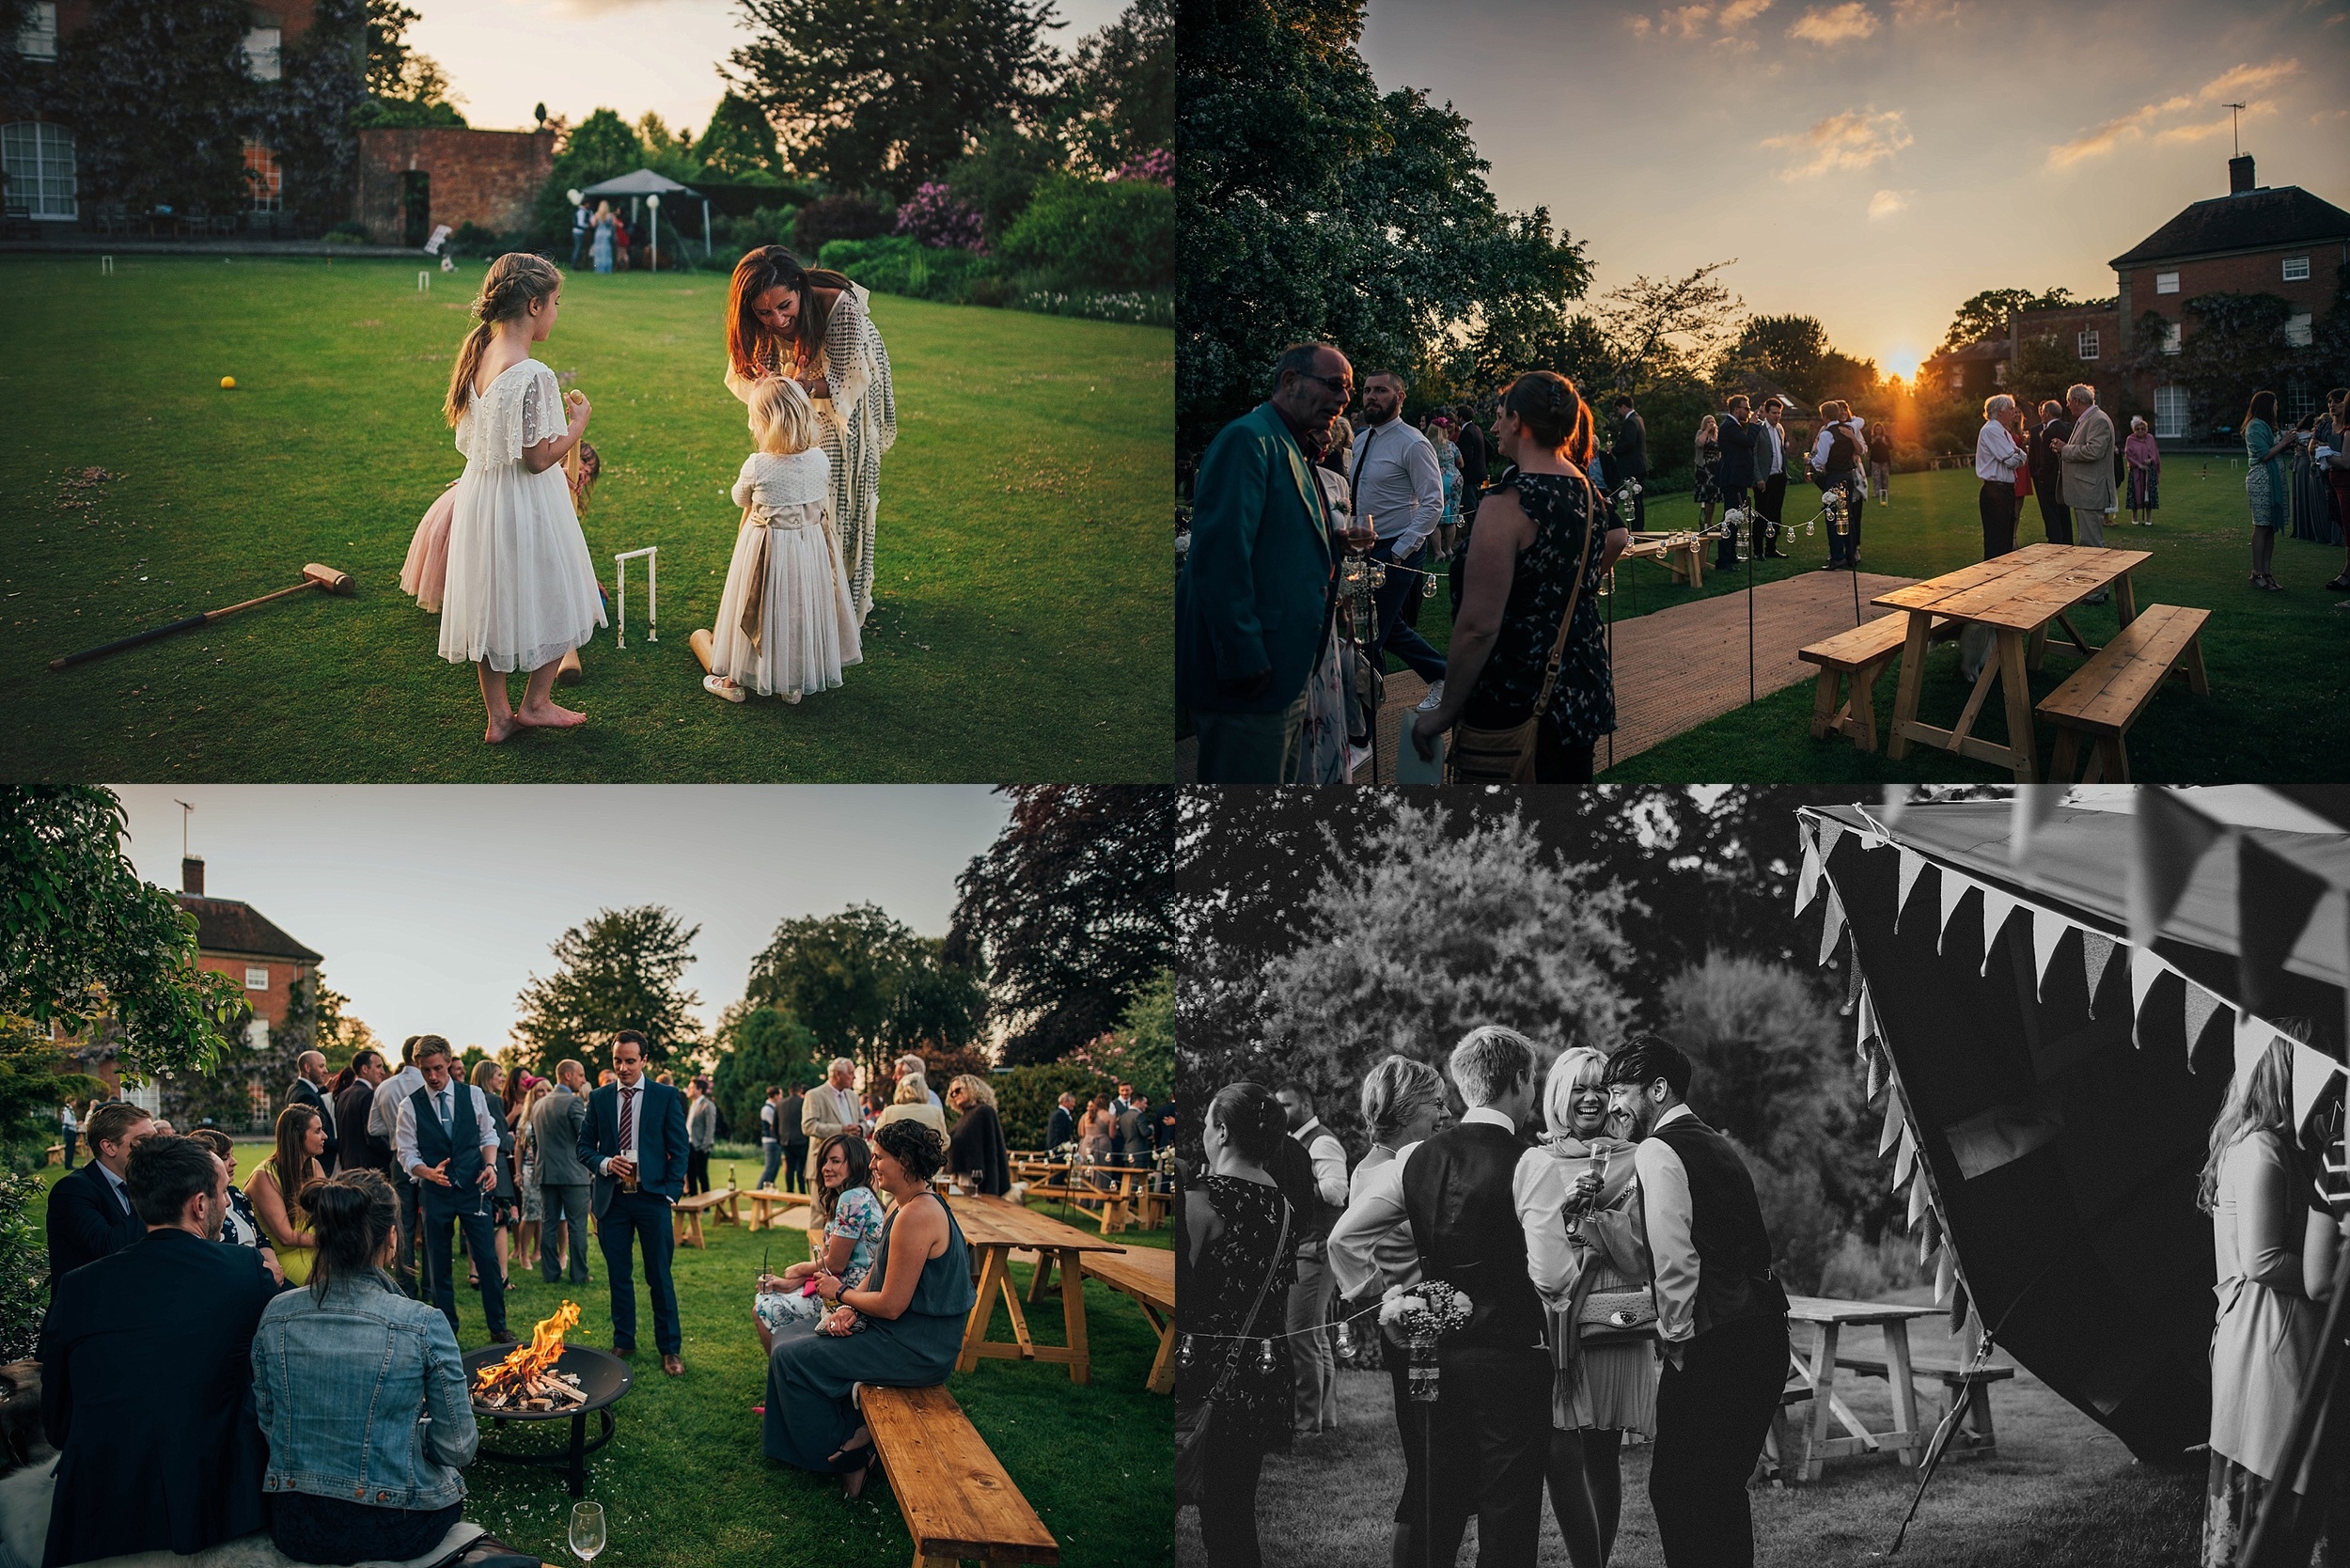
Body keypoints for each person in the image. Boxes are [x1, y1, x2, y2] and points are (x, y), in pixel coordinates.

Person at [39, 1134, 278, 1566]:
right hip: (216, 1499)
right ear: (200, 1205)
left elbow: (57, 1416)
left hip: (102, 1502)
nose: (228, 1204)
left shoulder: (78, 1287)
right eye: (224, 1193)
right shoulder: (246, 1272)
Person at [1605, 1037, 1790, 1568]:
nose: (1614, 1105)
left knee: (1677, 1491)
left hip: (1718, 1341)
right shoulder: (1711, 1142)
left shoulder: (1658, 1148)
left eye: (1621, 1092)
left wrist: (1677, 1336)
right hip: (1763, 1331)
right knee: (1721, 1490)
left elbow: (1674, 1255)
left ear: (1657, 1089)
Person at [251, 1169, 480, 1565]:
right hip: (397, 1526)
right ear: (391, 1236)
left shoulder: (276, 1314)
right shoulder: (422, 1322)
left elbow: (271, 1425)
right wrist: (410, 1435)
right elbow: (458, 1448)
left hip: (296, 1523)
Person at [1414, 370, 1628, 783]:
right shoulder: (1589, 493)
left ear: (1516, 422)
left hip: (1514, 691)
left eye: (1498, 416)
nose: (1494, 427)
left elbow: (1478, 627)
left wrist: (1444, 710)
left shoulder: (1506, 505)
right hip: (1579, 682)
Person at [435, 252, 604, 743]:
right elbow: (536, 457)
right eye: (555, 302)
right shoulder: (533, 373)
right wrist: (577, 427)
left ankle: (499, 716)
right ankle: (536, 702)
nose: (557, 312)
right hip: (525, 501)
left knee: (496, 598)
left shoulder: (480, 353)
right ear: (534, 305)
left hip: (483, 498)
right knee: (559, 587)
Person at [764, 1120, 976, 1497]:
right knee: (786, 1336)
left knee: (792, 1357)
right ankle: (850, 1434)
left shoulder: (917, 1215)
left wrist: (841, 1294)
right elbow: (878, 1273)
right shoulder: (906, 1203)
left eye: (879, 1157)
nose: (873, 1164)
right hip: (902, 1332)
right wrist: (852, 1311)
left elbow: (892, 1305)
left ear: (905, 1161)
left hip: (918, 1347)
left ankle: (842, 1451)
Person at [1408, 1027, 1553, 1566]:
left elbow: (1351, 1235)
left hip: (1431, 1350)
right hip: (1507, 1350)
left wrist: (1391, 1295)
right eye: (1532, 1082)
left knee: (1436, 1497)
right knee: (1507, 1505)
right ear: (1517, 1080)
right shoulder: (1529, 1162)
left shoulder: (1416, 1159)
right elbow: (1553, 1275)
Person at [1176, 342, 1350, 782]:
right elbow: (1219, 562)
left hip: (1283, 675)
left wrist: (1334, 541)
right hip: (1250, 682)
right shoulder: (1248, 439)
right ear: (1291, 382)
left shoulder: (1290, 444)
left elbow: (1277, 539)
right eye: (1334, 385)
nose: (1344, 399)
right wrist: (1246, 661)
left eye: (1346, 389)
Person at [2199, 1030, 2342, 1565]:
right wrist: (2322, 1272)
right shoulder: (2261, 1151)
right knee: (2279, 1472)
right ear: (2287, 1074)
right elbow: (2260, 1260)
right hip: (2268, 1346)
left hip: (2268, 1340)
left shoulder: (2275, 1147)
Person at [1517, 1045, 1653, 1568]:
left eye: (1601, 1087)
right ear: (1557, 1094)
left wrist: (1596, 1214)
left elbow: (1643, 1256)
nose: (1591, 1097)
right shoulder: (1536, 1161)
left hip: (1610, 1317)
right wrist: (1560, 1208)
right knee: (1558, 1453)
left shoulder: (1637, 1157)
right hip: (1551, 1318)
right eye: (1579, 1086)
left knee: (1601, 1454)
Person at [723, 246, 897, 624]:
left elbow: (846, 384)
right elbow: (758, 375)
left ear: (799, 287)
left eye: (785, 305)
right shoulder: (759, 322)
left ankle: (838, 596)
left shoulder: (839, 306)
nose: (778, 319)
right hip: (799, 385)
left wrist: (801, 386)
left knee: (836, 476)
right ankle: (785, 586)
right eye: (764, 312)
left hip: (851, 388)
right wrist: (775, 385)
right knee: (790, 463)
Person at [1327, 1055, 1451, 1568]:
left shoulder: (1405, 1161)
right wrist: (1388, 1300)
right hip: (1418, 1336)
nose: (1445, 1114)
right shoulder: (1380, 1171)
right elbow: (1349, 1246)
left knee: (1438, 1464)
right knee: (1426, 1467)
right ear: (1404, 1110)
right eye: (1436, 1104)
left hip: (1435, 1327)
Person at [1179, 1084, 1298, 1568]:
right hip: (1261, 1375)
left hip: (1203, 1370)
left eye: (1209, 1124)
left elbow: (1180, 1297)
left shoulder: (1202, 1201)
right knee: (1232, 1516)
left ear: (1223, 1131)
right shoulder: (1285, 1207)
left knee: (1218, 1521)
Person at [704, 374, 860, 704]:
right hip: (809, 548)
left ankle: (733, 679)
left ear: (763, 423)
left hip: (767, 549)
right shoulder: (820, 458)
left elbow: (739, 498)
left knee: (754, 602)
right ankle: (793, 683)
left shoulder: (758, 465)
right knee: (796, 607)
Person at [395, 1036, 512, 1344]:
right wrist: (427, 1173)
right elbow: (406, 1153)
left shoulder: (473, 1095)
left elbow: (489, 1135)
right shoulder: (409, 1105)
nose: (432, 1076)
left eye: (437, 1069)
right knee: (438, 1262)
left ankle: (498, 1326)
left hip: (474, 1188)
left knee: (487, 1258)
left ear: (449, 1063)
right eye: (425, 1070)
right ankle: (447, 1329)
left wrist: (491, 1167)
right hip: (435, 1193)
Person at [585, 1029, 689, 1375]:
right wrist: (605, 1162)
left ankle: (670, 1349)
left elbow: (680, 1148)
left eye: (630, 1061)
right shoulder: (599, 1098)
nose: (624, 1067)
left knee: (659, 1275)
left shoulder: (665, 1095)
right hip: (613, 1199)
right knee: (619, 1275)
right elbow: (583, 1147)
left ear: (644, 1060)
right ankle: (624, 1338)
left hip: (652, 1198)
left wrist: (670, 1192)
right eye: (618, 1060)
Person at [1351, 369, 1449, 696]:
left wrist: (1400, 550)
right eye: (1366, 391)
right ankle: (1443, 678)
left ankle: (1363, 706)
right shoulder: (1362, 438)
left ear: (1399, 397)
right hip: (1362, 547)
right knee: (1385, 627)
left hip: (1396, 546)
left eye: (1380, 390)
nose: (1371, 397)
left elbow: (1434, 502)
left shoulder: (1413, 442)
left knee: (1369, 631)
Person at [753, 1132, 886, 1353]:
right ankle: (793, 1364)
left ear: (854, 1164)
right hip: (840, 1287)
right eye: (824, 1161)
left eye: (835, 1161)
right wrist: (794, 1283)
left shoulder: (852, 1198)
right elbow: (826, 1259)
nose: (826, 1167)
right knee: (772, 1294)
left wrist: (799, 1269)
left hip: (852, 1295)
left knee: (762, 1309)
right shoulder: (853, 1195)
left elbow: (834, 1264)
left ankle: (785, 1372)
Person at [1271, 1086, 1347, 1438]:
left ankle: (1306, 1422)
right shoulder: (1296, 1141)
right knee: (1313, 1335)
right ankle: (1324, 1416)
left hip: (1315, 1247)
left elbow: (1336, 1191)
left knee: (1300, 1335)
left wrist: (1295, 1190)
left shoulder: (1320, 1142)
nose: (1280, 1110)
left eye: (1286, 1104)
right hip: (1309, 1246)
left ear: (1304, 1104)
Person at [45, 1101, 151, 1299]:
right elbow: (109, 1250)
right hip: (88, 1316)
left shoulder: (133, 1185)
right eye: (143, 1141)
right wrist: (153, 1192)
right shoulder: (72, 1191)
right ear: (109, 1147)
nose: (154, 1149)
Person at [248, 1102, 329, 1287]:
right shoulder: (264, 1176)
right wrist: (331, 1240)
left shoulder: (314, 1167)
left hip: (317, 1249)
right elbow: (286, 1236)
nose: (324, 1136)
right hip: (284, 1257)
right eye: (317, 1131)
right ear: (297, 1136)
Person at [530, 1057, 594, 1286]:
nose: (583, 1080)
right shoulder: (573, 1103)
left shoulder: (538, 1104)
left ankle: (550, 1273)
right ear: (567, 1075)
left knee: (548, 1223)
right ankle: (579, 1275)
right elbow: (584, 1136)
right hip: (573, 1174)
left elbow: (534, 1143)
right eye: (580, 1075)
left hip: (546, 1173)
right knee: (577, 1226)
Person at [369, 1039, 428, 1291]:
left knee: (402, 1221)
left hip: (398, 1158)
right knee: (431, 1220)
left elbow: (373, 1128)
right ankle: (430, 1284)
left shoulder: (385, 1087)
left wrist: (396, 1130)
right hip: (429, 1158)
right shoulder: (429, 1083)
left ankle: (406, 1283)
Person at [2050, 383, 2116, 598]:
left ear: (2077, 401)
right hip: (2084, 490)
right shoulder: (2089, 418)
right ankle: (2096, 590)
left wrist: (2065, 449)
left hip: (2090, 491)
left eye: (2069, 402)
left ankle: (2096, 593)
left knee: (2091, 544)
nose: (2068, 406)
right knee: (2088, 542)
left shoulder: (2097, 419)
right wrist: (2064, 446)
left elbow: (2094, 451)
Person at [464, 1059, 517, 1291]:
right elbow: (499, 1138)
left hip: (471, 1167)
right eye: (498, 1075)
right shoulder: (493, 1100)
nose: (502, 1079)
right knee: (500, 1222)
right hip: (495, 1168)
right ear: (488, 1077)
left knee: (475, 1221)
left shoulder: (466, 1097)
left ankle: (474, 1273)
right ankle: (502, 1276)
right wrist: (512, 1138)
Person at [2239, 390, 2296, 592]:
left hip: (2274, 480)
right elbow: (2263, 455)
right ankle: (2257, 572)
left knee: (2270, 527)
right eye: (2275, 404)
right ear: (2266, 406)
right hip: (2261, 481)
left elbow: (2278, 447)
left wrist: (2290, 441)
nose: (2277, 408)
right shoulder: (2255, 426)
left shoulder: (2270, 427)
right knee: (2261, 525)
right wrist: (2284, 442)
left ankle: (2267, 571)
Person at [1811, 400, 1868, 570]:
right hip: (1848, 477)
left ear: (1824, 416)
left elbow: (1821, 460)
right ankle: (1851, 555)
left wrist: (1810, 462)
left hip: (1834, 477)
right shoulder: (1849, 428)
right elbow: (1861, 421)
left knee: (1833, 518)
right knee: (1847, 517)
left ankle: (1837, 557)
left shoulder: (1827, 434)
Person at [1975, 395, 2028, 560]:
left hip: (2005, 489)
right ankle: (1992, 580)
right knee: (1996, 542)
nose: (2014, 413)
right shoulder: (1991, 430)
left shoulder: (2002, 431)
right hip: (1995, 490)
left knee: (2005, 540)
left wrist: (2017, 454)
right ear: (1999, 411)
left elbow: (2022, 457)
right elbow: (2011, 459)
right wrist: (2017, 454)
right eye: (2011, 409)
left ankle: (2002, 580)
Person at [1711, 396, 1761, 570]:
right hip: (1732, 479)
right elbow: (1749, 442)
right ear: (1736, 409)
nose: (1748, 411)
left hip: (1737, 478)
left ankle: (1730, 556)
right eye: (1746, 408)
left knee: (1736, 518)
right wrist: (1754, 425)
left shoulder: (1734, 426)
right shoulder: (1729, 426)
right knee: (1731, 518)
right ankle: (1723, 560)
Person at [944, 1074, 1010, 1196]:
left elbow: (991, 1151)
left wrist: (992, 1190)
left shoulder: (983, 1112)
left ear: (971, 1088)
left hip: (974, 1183)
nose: (954, 1095)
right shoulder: (966, 1115)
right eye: (952, 1092)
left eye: (958, 1090)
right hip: (960, 1179)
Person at [802, 1058, 864, 1184]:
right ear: (838, 1074)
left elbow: (863, 1121)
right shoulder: (814, 1095)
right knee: (821, 1205)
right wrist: (841, 1130)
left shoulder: (853, 1096)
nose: (854, 1077)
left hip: (851, 1166)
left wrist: (860, 1128)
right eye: (851, 1073)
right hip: (824, 1165)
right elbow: (808, 1126)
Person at [2028, 400, 2075, 545]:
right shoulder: (2068, 428)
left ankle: (2055, 541)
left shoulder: (2048, 431)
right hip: (2064, 477)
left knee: (2051, 513)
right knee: (2064, 511)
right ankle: (2067, 540)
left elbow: (2047, 458)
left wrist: (2040, 475)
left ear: (2047, 413)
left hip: (2049, 479)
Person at [513, 1077, 547, 1274]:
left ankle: (538, 1251)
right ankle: (523, 1254)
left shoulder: (549, 1113)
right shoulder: (526, 1118)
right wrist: (517, 1172)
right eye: (540, 1091)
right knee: (530, 1213)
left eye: (547, 1090)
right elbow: (519, 1146)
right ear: (533, 1094)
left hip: (547, 1170)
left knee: (542, 1214)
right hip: (529, 1170)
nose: (544, 1094)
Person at [287, 1049, 340, 1174]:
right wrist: (342, 1145)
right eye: (321, 1066)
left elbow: (313, 1097)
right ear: (307, 1067)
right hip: (317, 1162)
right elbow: (310, 1132)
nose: (326, 1071)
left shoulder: (296, 1088)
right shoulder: (306, 1096)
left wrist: (324, 1090)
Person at [336, 1049, 387, 1175]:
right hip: (368, 1169)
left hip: (347, 1166)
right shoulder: (368, 1096)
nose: (383, 1072)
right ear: (365, 1069)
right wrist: (394, 1154)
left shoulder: (343, 1095)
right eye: (378, 1067)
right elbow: (373, 1137)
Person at [1752, 398, 1791, 558]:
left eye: (1779, 413)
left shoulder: (1780, 430)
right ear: (1766, 413)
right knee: (1762, 514)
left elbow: (1781, 452)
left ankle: (1771, 547)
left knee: (1775, 514)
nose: (1777, 416)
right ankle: (1758, 551)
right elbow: (1753, 455)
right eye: (1774, 413)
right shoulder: (1759, 430)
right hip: (1764, 479)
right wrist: (1758, 478)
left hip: (1778, 477)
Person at [1608, 394, 1648, 530]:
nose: (1619, 412)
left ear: (1624, 407)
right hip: (1639, 465)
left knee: (1634, 500)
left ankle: (1638, 530)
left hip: (1632, 466)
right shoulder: (1639, 419)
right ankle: (1639, 528)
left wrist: (1614, 450)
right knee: (1637, 499)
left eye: (1619, 409)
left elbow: (1630, 443)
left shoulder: (1630, 422)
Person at [875, 1074, 948, 1140]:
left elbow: (877, 1138)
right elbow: (945, 1141)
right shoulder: (935, 1111)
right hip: (927, 1154)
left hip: (895, 1154)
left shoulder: (889, 1111)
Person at [682, 1074, 718, 1196]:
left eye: (692, 1087)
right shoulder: (693, 1104)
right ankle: (693, 1200)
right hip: (689, 1145)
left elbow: (710, 1128)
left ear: (699, 1090)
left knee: (702, 1175)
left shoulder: (708, 1105)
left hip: (700, 1146)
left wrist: (704, 1146)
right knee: (690, 1175)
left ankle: (706, 1204)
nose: (689, 1090)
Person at [2124, 416, 2161, 526]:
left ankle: (2149, 516)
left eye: (2142, 429)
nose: (2140, 431)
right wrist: (2138, 465)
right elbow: (2128, 455)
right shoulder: (2130, 439)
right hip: (2136, 470)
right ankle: (2134, 515)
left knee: (2149, 492)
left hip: (2149, 470)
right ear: (2134, 430)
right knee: (2135, 492)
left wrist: (2150, 460)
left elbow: (2155, 452)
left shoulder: (2150, 438)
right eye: (2138, 429)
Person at [1691, 414, 1721, 538]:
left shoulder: (1717, 435)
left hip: (1715, 469)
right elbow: (1700, 443)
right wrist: (1706, 430)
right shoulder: (1701, 433)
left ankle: (1710, 522)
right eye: (1708, 422)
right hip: (1704, 469)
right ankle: (1704, 523)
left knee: (1713, 497)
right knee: (1706, 496)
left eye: (1713, 421)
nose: (1711, 423)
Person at [760, 1084, 786, 1189]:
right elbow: (776, 1124)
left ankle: (767, 1190)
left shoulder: (773, 1108)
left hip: (774, 1141)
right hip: (770, 1141)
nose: (782, 1097)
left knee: (774, 1168)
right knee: (770, 1168)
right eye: (780, 1095)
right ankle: (759, 1190)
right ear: (775, 1096)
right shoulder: (767, 1109)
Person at [1867, 417, 1892, 504]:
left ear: (1882, 429)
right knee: (1876, 477)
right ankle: (1877, 493)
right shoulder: (1871, 438)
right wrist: (1872, 442)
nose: (1878, 430)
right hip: (1875, 460)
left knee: (1885, 477)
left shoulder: (1886, 437)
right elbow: (1867, 448)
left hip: (1884, 460)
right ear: (1874, 430)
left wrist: (1885, 443)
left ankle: (1885, 492)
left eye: (1880, 429)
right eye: (1876, 429)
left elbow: (1891, 447)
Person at [1047, 1089, 1080, 1153]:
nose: (1074, 1105)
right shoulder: (1060, 1115)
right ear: (1065, 1102)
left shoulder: (1063, 1114)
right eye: (1072, 1102)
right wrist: (1066, 1147)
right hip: (1058, 1151)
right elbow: (1059, 1134)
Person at [589, 200, 615, 273]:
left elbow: (593, 224)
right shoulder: (610, 215)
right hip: (606, 233)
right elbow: (614, 224)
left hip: (599, 233)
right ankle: (607, 268)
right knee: (607, 251)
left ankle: (599, 269)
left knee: (599, 251)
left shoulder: (597, 214)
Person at [569, 196, 592, 267]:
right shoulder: (581, 212)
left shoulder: (586, 212)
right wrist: (587, 226)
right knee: (578, 248)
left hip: (580, 232)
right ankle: (574, 264)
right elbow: (580, 223)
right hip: (578, 232)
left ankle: (577, 263)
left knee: (580, 248)